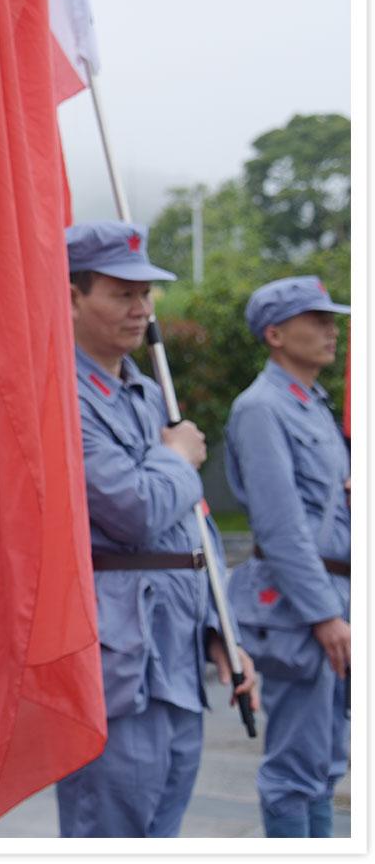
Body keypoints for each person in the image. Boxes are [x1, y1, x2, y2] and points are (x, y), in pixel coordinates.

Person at [54, 220, 257, 838]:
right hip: (118, 661)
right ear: (71, 296)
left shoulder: (145, 394)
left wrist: (220, 627)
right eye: (121, 292)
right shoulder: (62, 397)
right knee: (111, 832)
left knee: (161, 832)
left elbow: (193, 528)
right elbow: (135, 509)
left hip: (175, 652)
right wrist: (177, 458)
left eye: (145, 293)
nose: (140, 308)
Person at [224, 275, 351, 838]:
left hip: (335, 595)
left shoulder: (312, 405)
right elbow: (280, 527)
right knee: (295, 768)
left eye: (332, 318)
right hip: (303, 606)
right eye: (316, 319)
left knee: (327, 761)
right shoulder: (261, 408)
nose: (331, 330)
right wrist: (325, 615)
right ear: (275, 333)